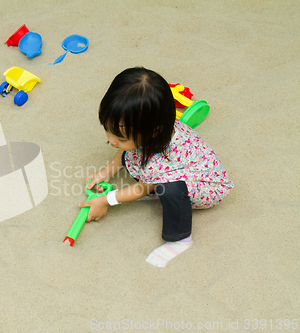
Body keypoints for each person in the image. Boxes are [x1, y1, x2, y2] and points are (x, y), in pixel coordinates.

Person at [79, 67, 233, 267]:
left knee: (169, 189)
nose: (111, 141)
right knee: (131, 150)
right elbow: (127, 151)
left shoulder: (158, 163)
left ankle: (180, 239)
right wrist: (106, 172)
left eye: (119, 137)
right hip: (164, 159)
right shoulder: (151, 129)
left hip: (206, 186)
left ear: (154, 131)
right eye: (108, 131)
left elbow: (140, 189)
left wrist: (104, 201)